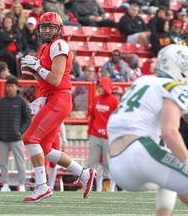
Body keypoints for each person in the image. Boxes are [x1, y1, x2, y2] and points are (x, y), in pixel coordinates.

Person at [20, 12, 96, 203]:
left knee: (30, 138)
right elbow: (45, 81)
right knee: (45, 149)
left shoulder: (59, 45)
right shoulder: (43, 48)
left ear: (58, 29)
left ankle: (42, 186)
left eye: (50, 27)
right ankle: (84, 173)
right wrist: (33, 71)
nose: (46, 30)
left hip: (59, 99)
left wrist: (36, 67)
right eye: (43, 27)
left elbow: (55, 78)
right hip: (51, 98)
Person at [107, 44, 188, 216]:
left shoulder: (142, 81)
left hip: (117, 164)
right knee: (178, 163)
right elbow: (169, 132)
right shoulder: (173, 86)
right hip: (140, 152)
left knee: (169, 175)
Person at [0, 76, 31, 192]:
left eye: (12, 86)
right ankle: (5, 184)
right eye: (8, 86)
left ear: (17, 87)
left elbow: (28, 119)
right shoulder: (1, 102)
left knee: (20, 162)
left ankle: (22, 184)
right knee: (3, 163)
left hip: (17, 138)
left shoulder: (22, 102)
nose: (10, 88)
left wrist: (20, 131)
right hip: (2, 138)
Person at [87, 77, 119, 192]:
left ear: (105, 86)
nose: (98, 88)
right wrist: (89, 132)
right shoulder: (96, 99)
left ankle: (107, 184)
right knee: (92, 161)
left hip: (108, 136)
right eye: (97, 86)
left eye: (100, 86)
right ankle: (88, 184)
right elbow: (92, 117)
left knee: (107, 161)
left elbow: (117, 119)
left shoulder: (114, 101)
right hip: (95, 134)